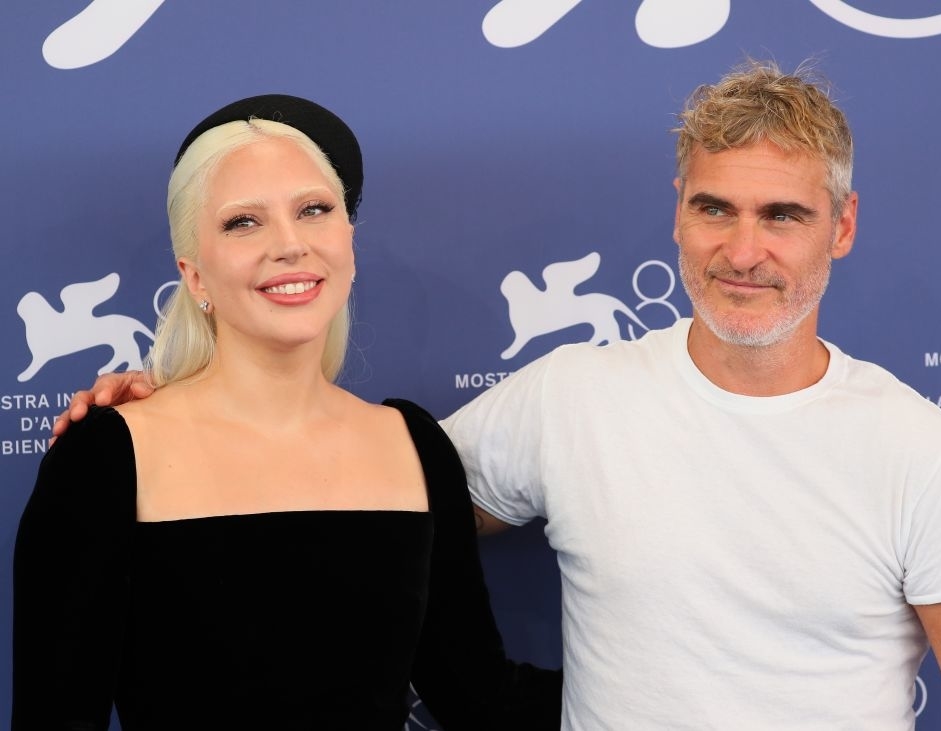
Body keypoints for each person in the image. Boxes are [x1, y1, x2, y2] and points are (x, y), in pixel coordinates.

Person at [55, 62, 941, 730]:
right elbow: (349, 505)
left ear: (840, 226)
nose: (743, 250)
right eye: (713, 208)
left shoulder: (918, 449)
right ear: (677, 213)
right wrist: (179, 420)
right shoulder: (569, 398)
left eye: (782, 214)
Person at [14, 94, 561, 730]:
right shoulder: (107, 456)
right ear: (195, 277)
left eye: (313, 210)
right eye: (243, 221)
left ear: (348, 244)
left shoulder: (412, 443)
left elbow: (481, 700)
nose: (289, 244)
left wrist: (688, 680)